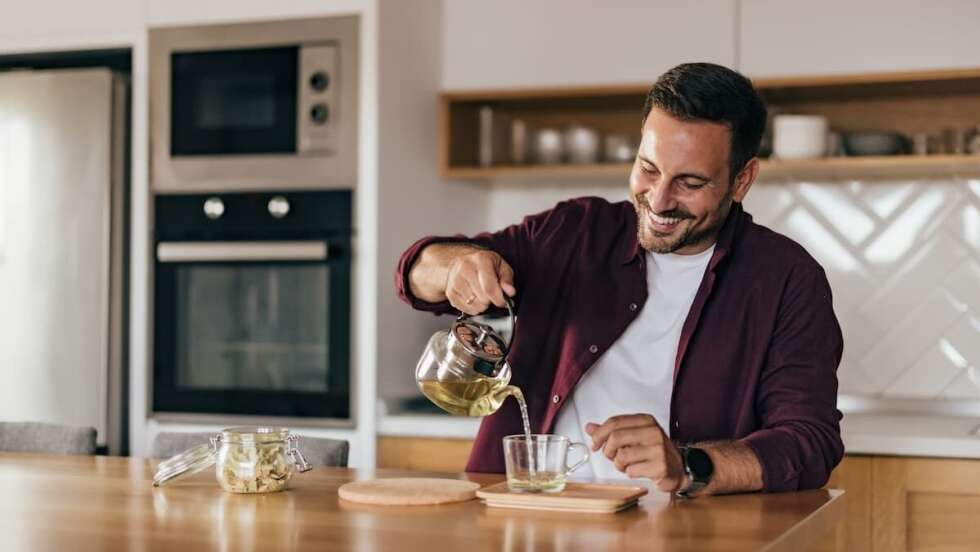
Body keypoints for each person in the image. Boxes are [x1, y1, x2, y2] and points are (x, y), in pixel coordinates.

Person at [396, 63, 843, 496]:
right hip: (529, 515)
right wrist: (457, 266)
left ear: (742, 180)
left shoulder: (787, 279)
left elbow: (809, 441)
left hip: (682, 532)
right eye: (649, 168)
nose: (660, 199)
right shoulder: (575, 232)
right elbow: (416, 271)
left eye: (690, 182)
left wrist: (688, 465)